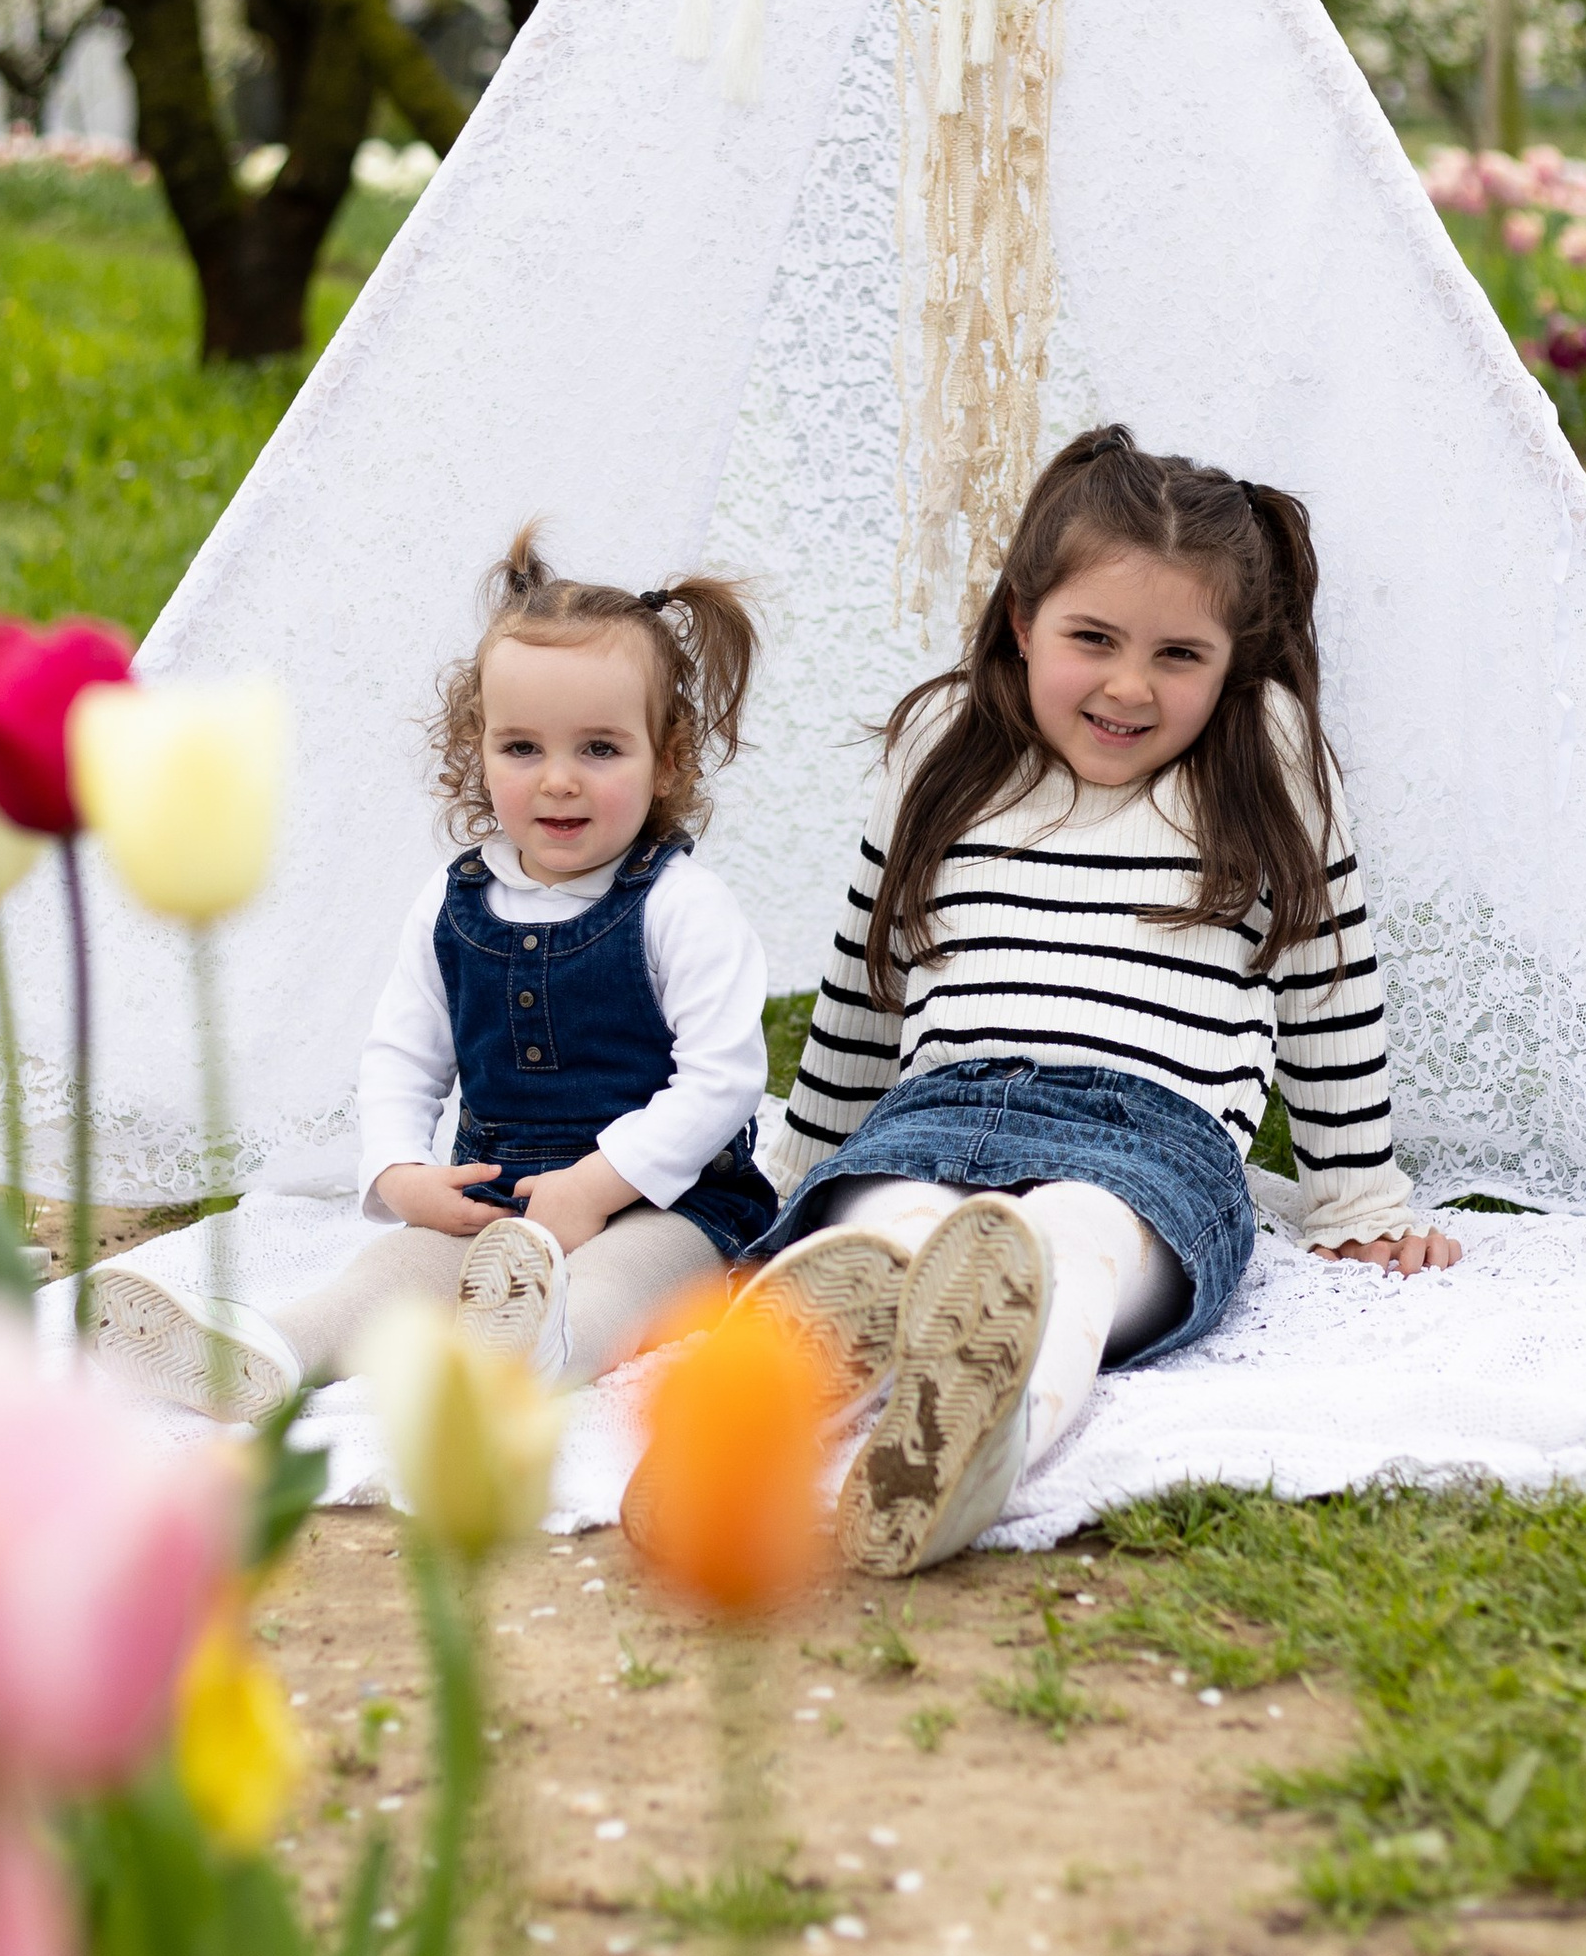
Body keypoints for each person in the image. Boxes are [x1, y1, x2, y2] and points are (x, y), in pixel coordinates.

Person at [726, 424, 1459, 1577]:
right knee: (885, 1227)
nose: (1129, 685)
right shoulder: (942, 741)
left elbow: (1328, 975)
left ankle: (981, 1436)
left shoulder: (1262, 755)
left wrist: (1353, 1194)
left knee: (1066, 1251)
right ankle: (750, 1436)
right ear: (1022, 624)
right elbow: (867, 974)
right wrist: (795, 1165)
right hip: (937, 1108)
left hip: (1149, 1139)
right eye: (1093, 639)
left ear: (1233, 669)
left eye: (1178, 655)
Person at [93, 533, 776, 1416]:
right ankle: (269, 1351)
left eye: (601, 750)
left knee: (621, 1281)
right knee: (387, 1275)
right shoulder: (454, 905)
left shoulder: (681, 905)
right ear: (477, 750)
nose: (559, 781)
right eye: (523, 748)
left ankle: (541, 1353)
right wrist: (400, 1173)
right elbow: (402, 1058)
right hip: (493, 1199)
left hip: (665, 1201)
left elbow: (724, 1079)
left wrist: (598, 1185)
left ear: (668, 757)